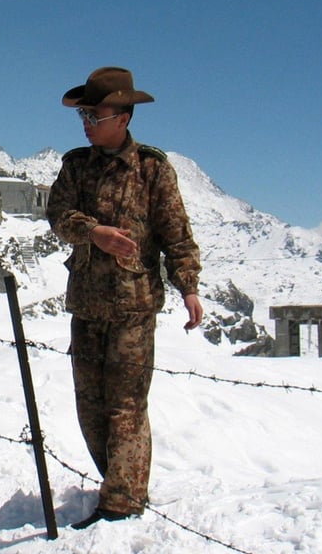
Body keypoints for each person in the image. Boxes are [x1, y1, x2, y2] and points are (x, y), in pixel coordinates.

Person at [45, 67, 203, 529]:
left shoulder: (152, 168)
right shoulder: (76, 165)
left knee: (126, 407)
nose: (88, 123)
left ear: (125, 116)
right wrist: (93, 232)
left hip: (135, 308)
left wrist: (188, 285)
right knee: (90, 407)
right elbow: (57, 215)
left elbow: (177, 234)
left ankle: (122, 504)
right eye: (84, 115)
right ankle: (117, 483)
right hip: (87, 306)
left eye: (96, 114)